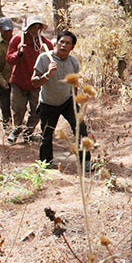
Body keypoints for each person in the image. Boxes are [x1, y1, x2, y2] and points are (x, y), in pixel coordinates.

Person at [31, 30, 91, 171]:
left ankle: (85, 161)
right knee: (46, 135)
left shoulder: (73, 61)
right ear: (56, 43)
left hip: (67, 102)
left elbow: (74, 83)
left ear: (72, 47)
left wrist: (75, 101)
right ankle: (45, 163)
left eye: (67, 43)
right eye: (61, 42)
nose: (63, 45)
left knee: (80, 128)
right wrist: (47, 74)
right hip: (48, 102)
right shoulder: (44, 58)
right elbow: (34, 82)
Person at [6, 15, 53, 144]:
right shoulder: (17, 41)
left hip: (37, 83)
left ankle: (29, 133)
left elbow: (52, 61)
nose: (35, 30)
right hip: (19, 81)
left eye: (38, 27)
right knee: (18, 108)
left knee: (37, 110)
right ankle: (16, 130)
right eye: (33, 27)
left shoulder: (45, 44)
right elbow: (9, 59)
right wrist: (18, 54)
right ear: (27, 28)